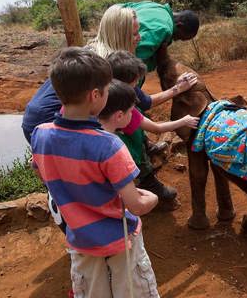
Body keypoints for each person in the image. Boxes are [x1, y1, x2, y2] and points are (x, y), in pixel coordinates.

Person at [30, 48, 160, 298]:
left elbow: (42, 174)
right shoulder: (109, 145)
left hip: (80, 242)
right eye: (107, 90)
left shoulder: (41, 135)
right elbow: (136, 205)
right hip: (120, 242)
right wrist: (151, 197)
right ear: (96, 95)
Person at [106, 50, 198, 202]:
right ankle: (147, 180)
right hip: (127, 153)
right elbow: (156, 128)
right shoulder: (130, 112)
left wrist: (177, 87)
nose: (136, 86)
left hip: (114, 148)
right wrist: (183, 121)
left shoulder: (104, 101)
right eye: (134, 82)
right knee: (135, 151)